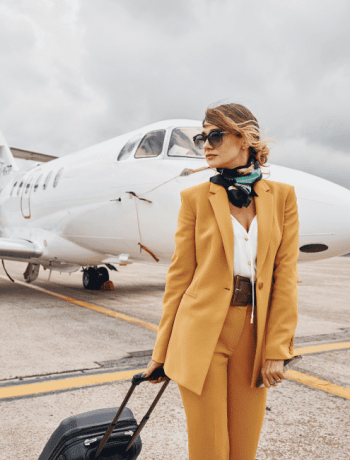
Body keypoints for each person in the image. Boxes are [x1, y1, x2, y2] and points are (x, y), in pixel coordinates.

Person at [143, 103, 299, 460]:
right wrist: (161, 352)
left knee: (244, 448)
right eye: (203, 137)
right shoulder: (194, 199)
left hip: (251, 333)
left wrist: (277, 349)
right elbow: (179, 278)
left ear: (244, 138)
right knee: (210, 449)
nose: (206, 145)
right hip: (199, 334)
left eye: (215, 135)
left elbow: (285, 276)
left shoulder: (283, 197)